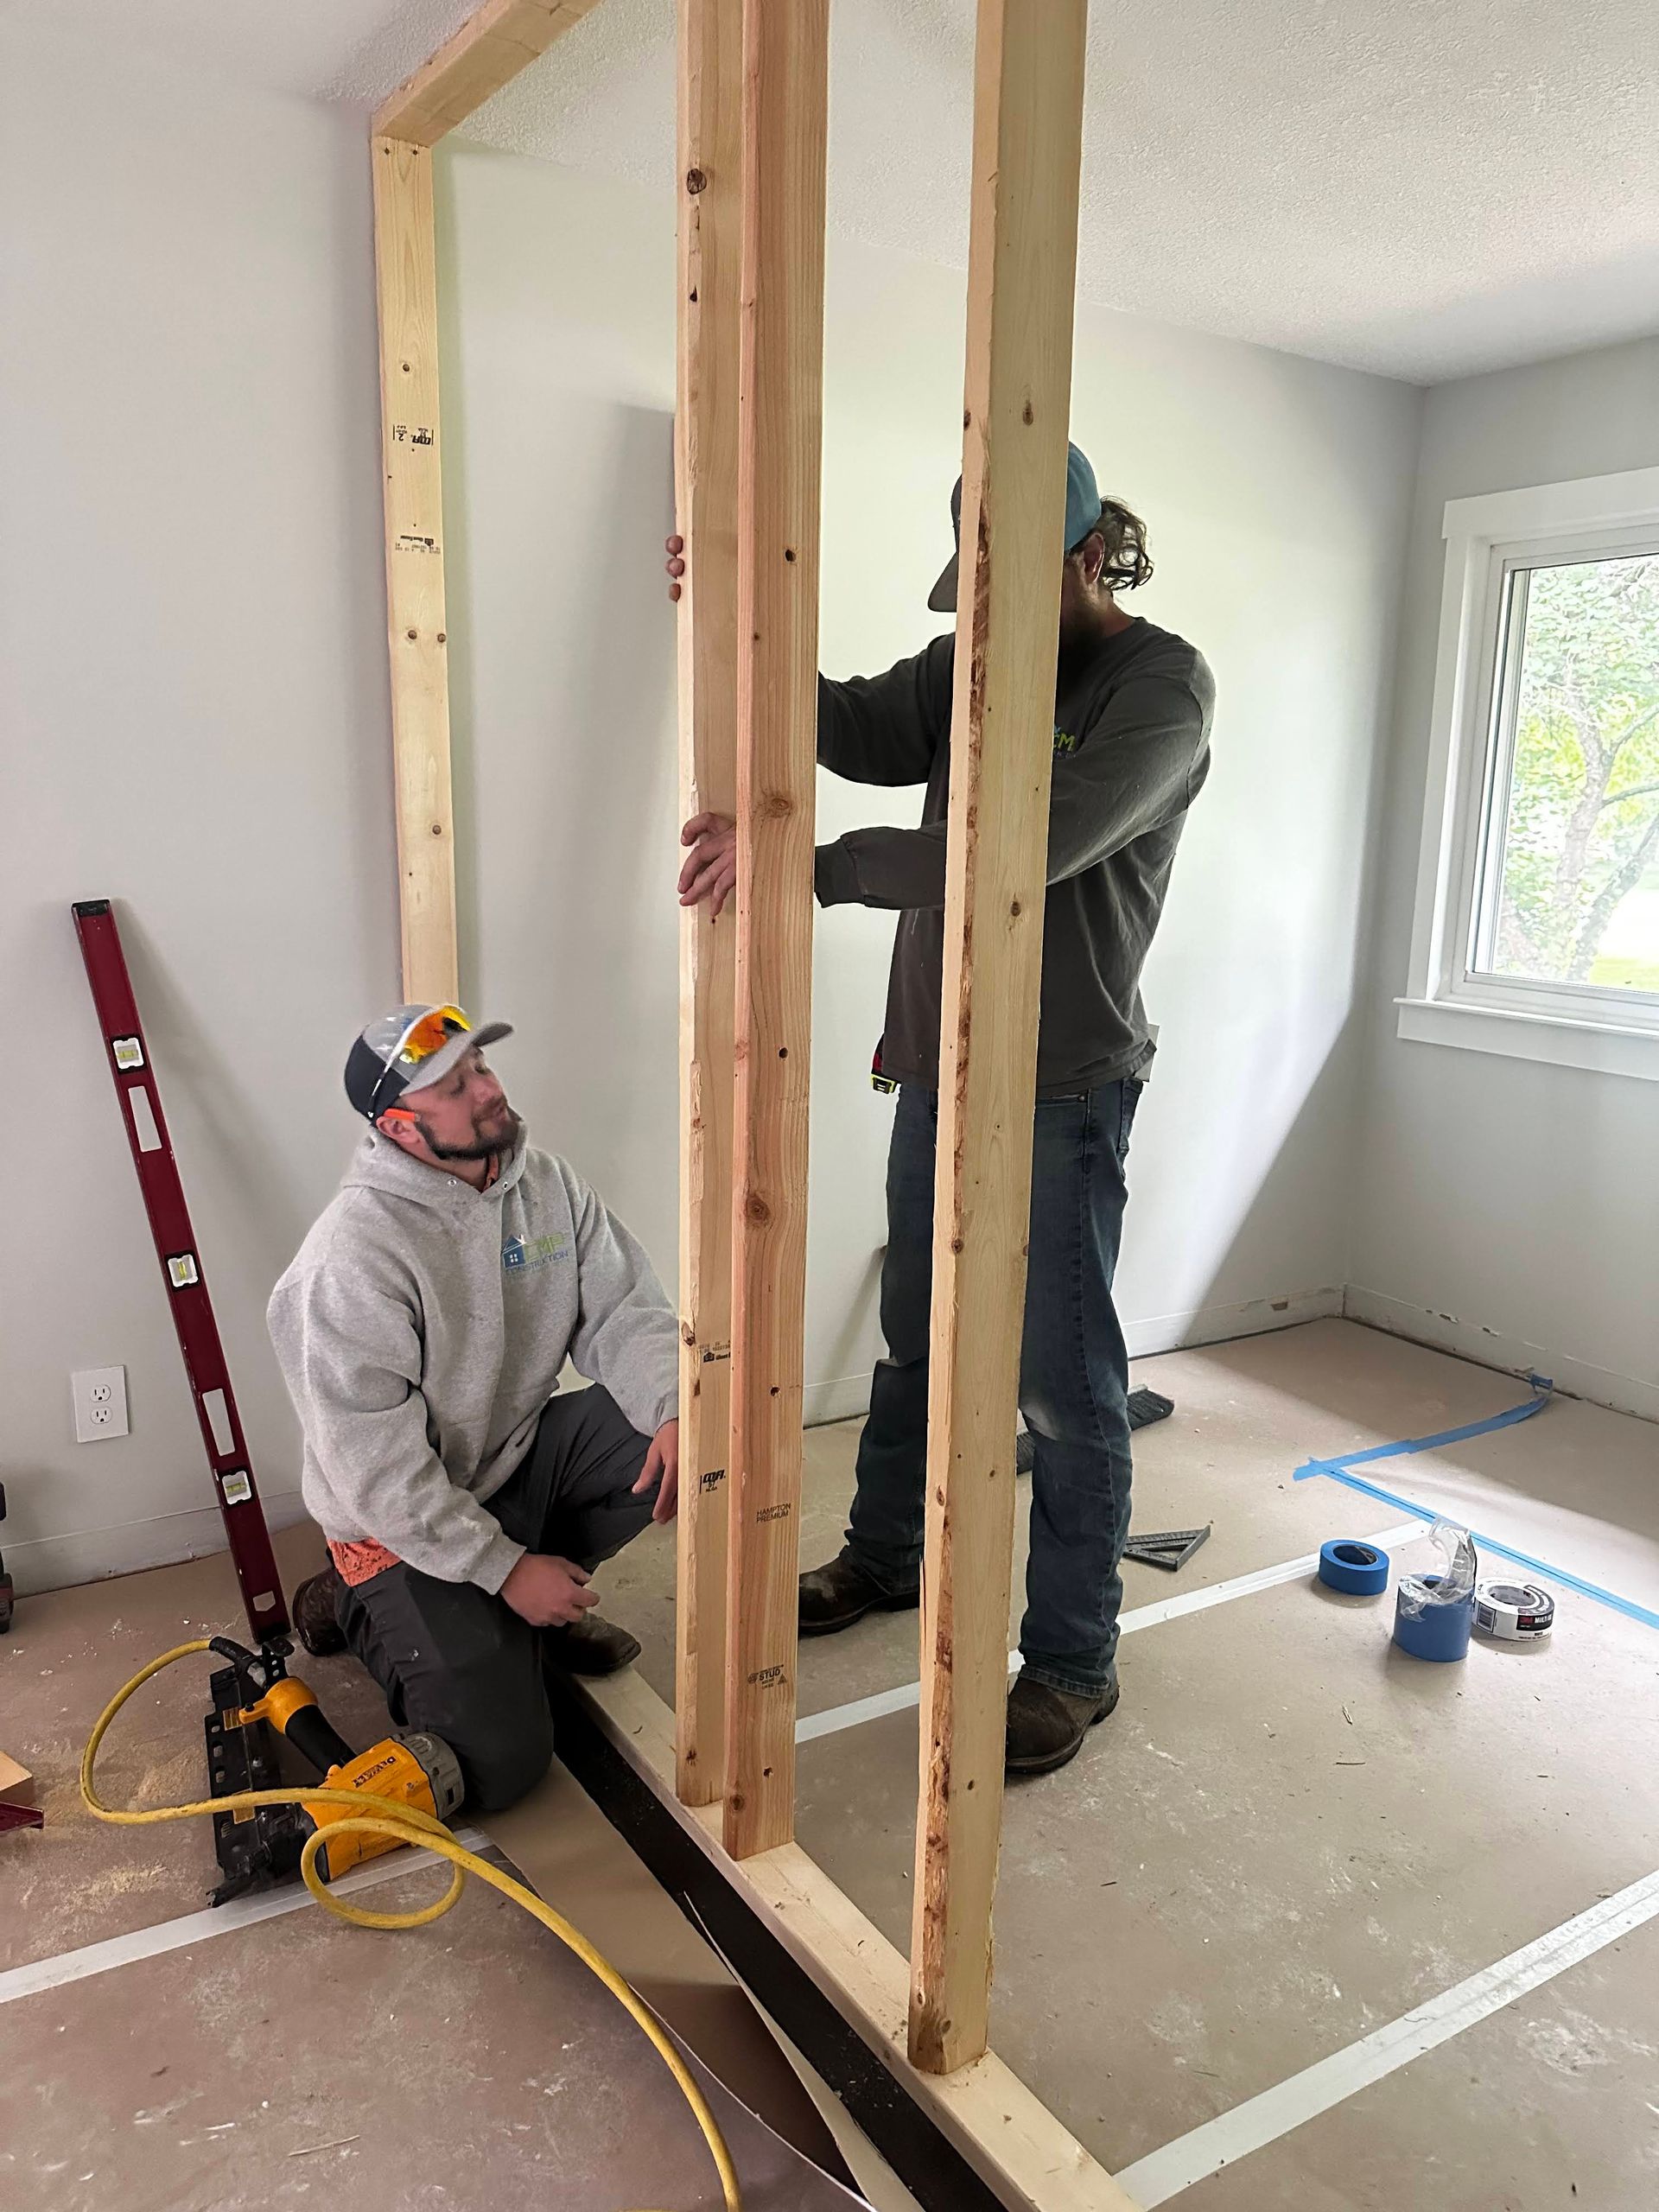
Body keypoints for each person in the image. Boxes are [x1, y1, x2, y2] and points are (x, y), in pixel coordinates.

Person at [671, 443, 1214, 1777]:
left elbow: (1021, 848)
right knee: (915, 1336)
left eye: (1009, 586)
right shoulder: (971, 655)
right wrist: (740, 625)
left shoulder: (1160, 686)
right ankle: (886, 1559)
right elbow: (852, 726)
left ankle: (1077, 1662)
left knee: (1057, 1389)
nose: (984, 619)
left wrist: (812, 866)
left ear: (1090, 559)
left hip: (1060, 1084)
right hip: (935, 1062)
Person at [269, 1003, 679, 1814]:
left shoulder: (548, 1186)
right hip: (396, 1526)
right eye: (452, 1089)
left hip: (508, 1464)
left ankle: (510, 1619)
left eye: (481, 1070)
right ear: (398, 1127)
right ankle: (360, 1606)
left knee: (673, 1435)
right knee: (504, 1762)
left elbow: (627, 1312)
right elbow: (378, 1472)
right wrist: (504, 1569)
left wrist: (674, 1406)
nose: (487, 1092)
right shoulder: (351, 1260)